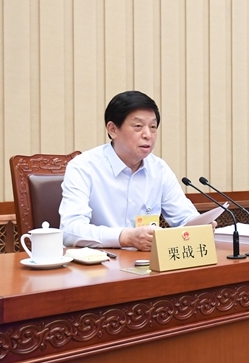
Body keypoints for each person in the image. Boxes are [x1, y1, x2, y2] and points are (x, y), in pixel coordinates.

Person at [59, 91, 200, 250]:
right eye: (138, 126)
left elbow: (184, 217)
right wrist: (126, 237)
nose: (148, 135)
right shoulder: (83, 167)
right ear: (112, 129)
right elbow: (70, 230)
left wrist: (201, 226)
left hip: (147, 262)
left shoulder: (159, 169)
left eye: (153, 127)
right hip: (99, 261)